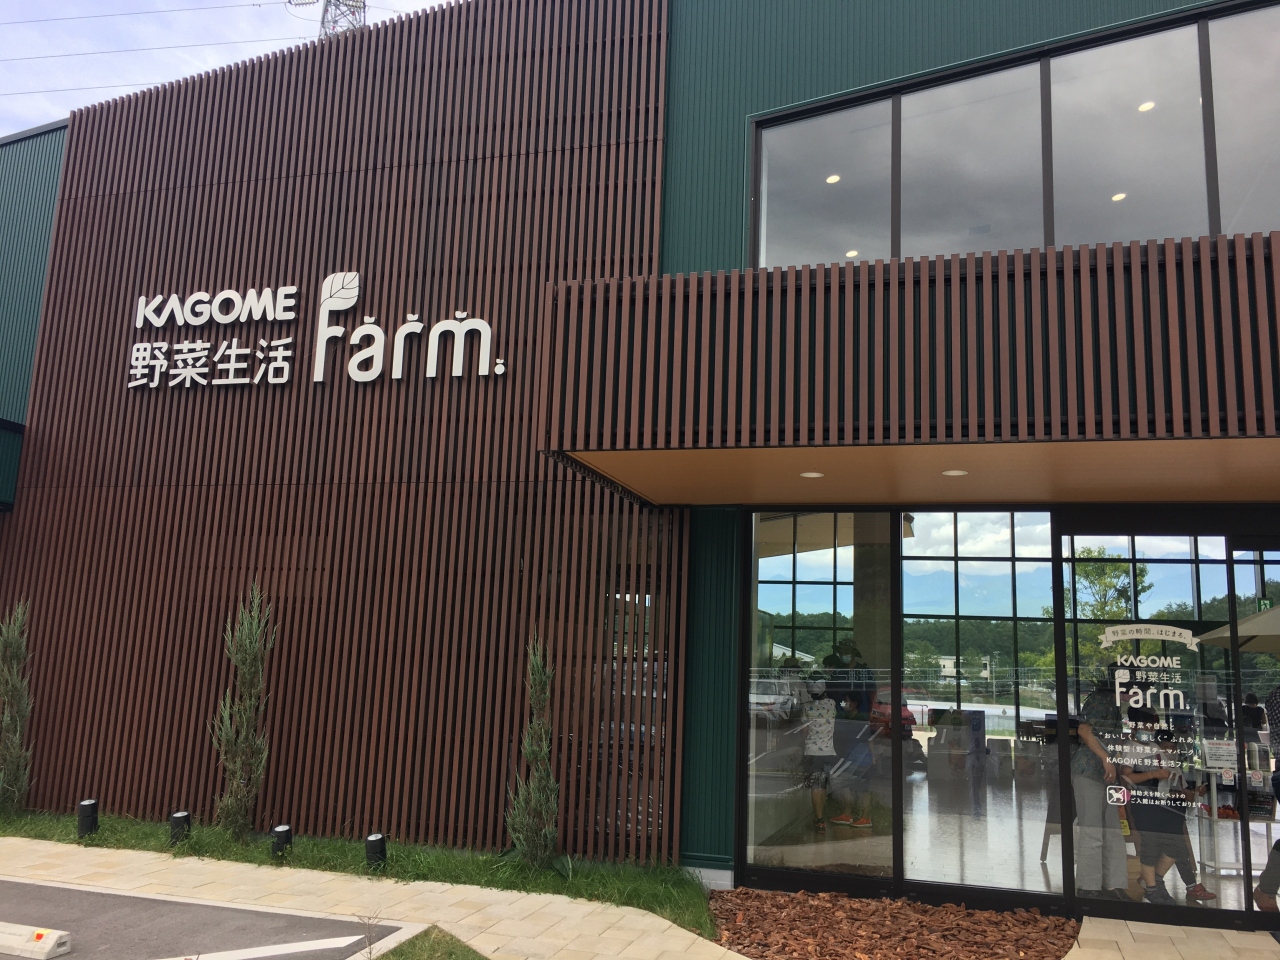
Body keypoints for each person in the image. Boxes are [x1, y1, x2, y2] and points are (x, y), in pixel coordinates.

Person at [1072, 673, 1128, 899]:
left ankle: (1113, 884)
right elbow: (1084, 730)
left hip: (1107, 774)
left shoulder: (1114, 704)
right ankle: (1089, 886)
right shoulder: (1100, 700)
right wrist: (1106, 757)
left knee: (1113, 830)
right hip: (1089, 771)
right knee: (1092, 829)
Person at [800, 676, 837, 831]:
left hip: (812, 752)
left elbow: (804, 731)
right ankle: (820, 816)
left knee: (815, 786)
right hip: (829, 752)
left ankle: (819, 820)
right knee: (823, 786)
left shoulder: (806, 707)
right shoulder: (832, 704)